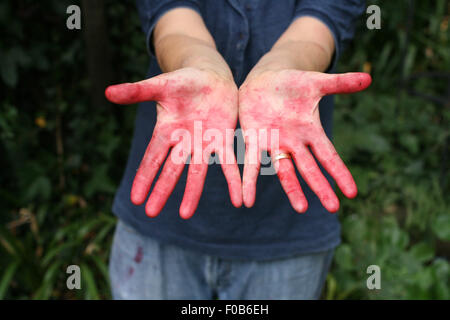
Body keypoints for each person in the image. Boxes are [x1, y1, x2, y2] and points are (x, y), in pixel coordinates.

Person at [105, 0, 371, 300]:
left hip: (286, 236)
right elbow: (173, 23)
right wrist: (198, 63)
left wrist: (282, 67)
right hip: (159, 230)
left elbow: (314, 32)